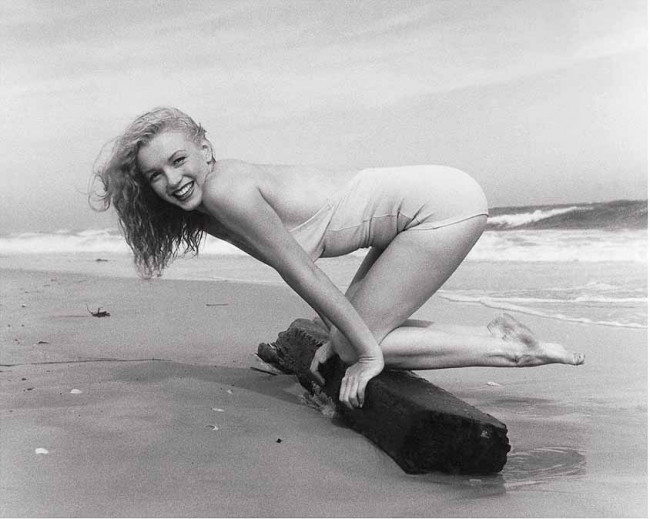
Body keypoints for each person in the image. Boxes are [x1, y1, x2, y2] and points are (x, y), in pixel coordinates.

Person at [92, 107, 584, 410]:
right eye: (156, 175)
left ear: (204, 148)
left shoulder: (227, 190)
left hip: (439, 208)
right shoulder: (205, 207)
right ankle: (501, 338)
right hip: (420, 209)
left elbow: (299, 268)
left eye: (178, 160)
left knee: (356, 347)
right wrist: (335, 329)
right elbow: (292, 267)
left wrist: (365, 353)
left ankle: (509, 345)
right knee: (346, 336)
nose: (171, 180)